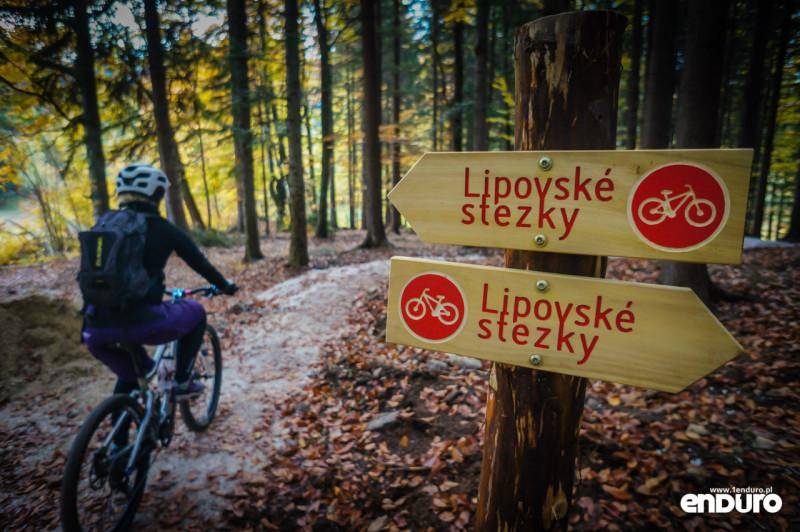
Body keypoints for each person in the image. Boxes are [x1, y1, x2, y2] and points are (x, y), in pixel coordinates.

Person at [81, 163, 237, 401]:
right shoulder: (164, 229)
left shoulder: (104, 224)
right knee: (196, 312)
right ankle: (182, 382)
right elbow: (201, 264)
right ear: (156, 194)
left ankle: (122, 425)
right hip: (144, 322)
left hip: (94, 328)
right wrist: (225, 286)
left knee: (135, 372)